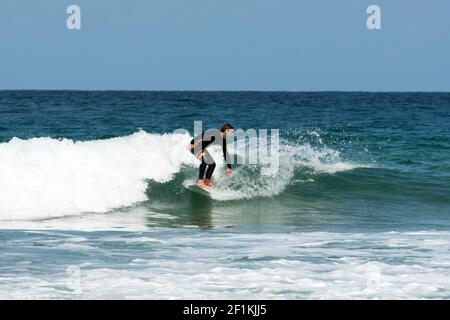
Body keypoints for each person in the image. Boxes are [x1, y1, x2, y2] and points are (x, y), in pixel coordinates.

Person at [189, 123, 234, 188]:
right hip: (195, 147)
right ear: (225, 131)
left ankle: (207, 181)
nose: (232, 134)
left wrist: (229, 167)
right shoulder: (214, 136)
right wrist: (199, 151)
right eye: (231, 132)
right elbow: (201, 141)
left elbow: (225, 153)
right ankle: (200, 181)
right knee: (204, 161)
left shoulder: (223, 140)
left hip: (201, 147)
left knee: (212, 164)